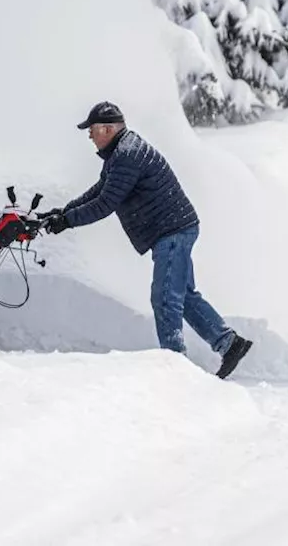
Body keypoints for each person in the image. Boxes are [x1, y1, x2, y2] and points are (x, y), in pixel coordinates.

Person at [41, 101, 253, 379]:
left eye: (92, 130)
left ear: (108, 129)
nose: (90, 136)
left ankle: (175, 370)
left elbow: (105, 203)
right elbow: (99, 190)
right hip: (175, 229)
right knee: (183, 297)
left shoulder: (127, 155)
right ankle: (230, 344)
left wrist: (66, 221)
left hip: (173, 231)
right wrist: (63, 212)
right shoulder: (121, 152)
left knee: (165, 299)